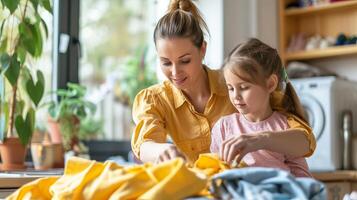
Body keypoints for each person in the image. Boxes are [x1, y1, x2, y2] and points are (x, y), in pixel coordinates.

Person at [131, 0, 315, 165]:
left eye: (185, 61)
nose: (175, 72)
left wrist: (258, 138)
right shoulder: (155, 99)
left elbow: (305, 141)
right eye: (165, 62)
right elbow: (145, 143)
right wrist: (162, 150)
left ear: (202, 49)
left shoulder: (237, 84)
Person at [210, 38, 311, 177]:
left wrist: (260, 140)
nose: (236, 96)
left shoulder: (286, 126)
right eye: (230, 88)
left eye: (244, 87)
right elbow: (215, 173)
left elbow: (304, 156)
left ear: (270, 84)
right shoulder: (223, 127)